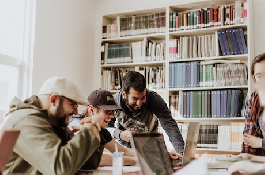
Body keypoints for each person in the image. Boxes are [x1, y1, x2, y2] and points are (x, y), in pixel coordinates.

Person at [0, 76, 104, 175]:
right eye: (73, 104)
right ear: (53, 100)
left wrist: (94, 133)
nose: (76, 112)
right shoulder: (27, 120)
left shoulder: (54, 123)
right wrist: (87, 134)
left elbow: (88, 164)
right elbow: (60, 169)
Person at [108, 71, 185, 155]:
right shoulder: (113, 102)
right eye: (135, 99)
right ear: (124, 94)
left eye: (143, 98)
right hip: (124, 151)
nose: (139, 103)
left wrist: (181, 153)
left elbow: (170, 126)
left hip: (150, 151)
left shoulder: (154, 100)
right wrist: (120, 134)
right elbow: (106, 128)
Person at [68, 89, 136, 166]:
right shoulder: (78, 125)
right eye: (107, 111)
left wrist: (147, 154)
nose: (112, 116)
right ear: (91, 110)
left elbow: (123, 151)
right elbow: (96, 158)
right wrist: (137, 160)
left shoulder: (101, 130)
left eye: (113, 112)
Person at [241, 53, 265, 156]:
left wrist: (260, 143)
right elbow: (249, 135)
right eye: (259, 76)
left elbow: (256, 142)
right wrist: (244, 158)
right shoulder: (255, 98)